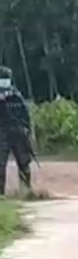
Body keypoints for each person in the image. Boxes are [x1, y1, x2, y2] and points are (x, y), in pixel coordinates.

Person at [0, 66, 34, 199]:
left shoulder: (15, 94)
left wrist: (27, 130)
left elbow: (25, 114)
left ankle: (25, 192)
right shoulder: (14, 94)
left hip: (16, 131)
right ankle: (4, 193)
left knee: (23, 163)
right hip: (6, 131)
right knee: (3, 163)